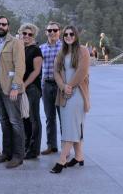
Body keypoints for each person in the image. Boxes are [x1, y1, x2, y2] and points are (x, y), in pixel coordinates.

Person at [0, 16, 26, 169]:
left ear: (8, 26)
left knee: (15, 121)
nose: (0, 26)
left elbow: (20, 66)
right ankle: (7, 152)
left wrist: (15, 87)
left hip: (10, 88)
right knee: (3, 121)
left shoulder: (16, 43)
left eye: (4, 24)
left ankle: (18, 156)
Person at [50, 25, 90, 173]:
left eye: (71, 33)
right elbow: (56, 72)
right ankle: (79, 156)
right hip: (64, 94)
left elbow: (82, 71)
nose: (68, 36)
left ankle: (62, 160)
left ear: (76, 35)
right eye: (66, 34)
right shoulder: (61, 53)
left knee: (70, 127)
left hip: (77, 94)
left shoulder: (83, 51)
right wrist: (62, 86)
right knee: (72, 125)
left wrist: (70, 86)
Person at [18, 23, 43, 160]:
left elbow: (36, 71)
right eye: (24, 33)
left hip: (32, 88)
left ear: (33, 36)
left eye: (30, 34)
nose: (26, 36)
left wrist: (25, 85)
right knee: (25, 118)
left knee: (33, 118)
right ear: (20, 33)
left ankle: (34, 149)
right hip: (21, 88)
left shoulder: (35, 50)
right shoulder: (20, 48)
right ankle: (27, 145)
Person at [40, 21, 62, 155]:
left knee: (63, 117)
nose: (52, 33)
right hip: (46, 84)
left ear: (59, 31)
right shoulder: (41, 48)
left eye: (55, 30)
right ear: (46, 32)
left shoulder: (65, 47)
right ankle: (51, 145)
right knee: (49, 117)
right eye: (49, 31)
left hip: (60, 85)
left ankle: (65, 145)